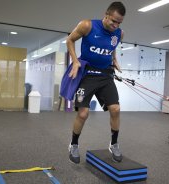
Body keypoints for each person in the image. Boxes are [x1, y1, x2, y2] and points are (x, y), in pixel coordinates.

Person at [66, 1, 126, 164]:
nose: (115, 25)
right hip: (87, 75)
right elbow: (69, 40)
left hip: (105, 75)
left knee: (115, 109)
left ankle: (114, 144)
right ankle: (74, 144)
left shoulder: (119, 34)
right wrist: (75, 61)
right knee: (83, 113)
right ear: (106, 15)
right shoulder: (87, 25)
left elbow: (112, 48)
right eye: (113, 21)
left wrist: (114, 60)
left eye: (119, 22)